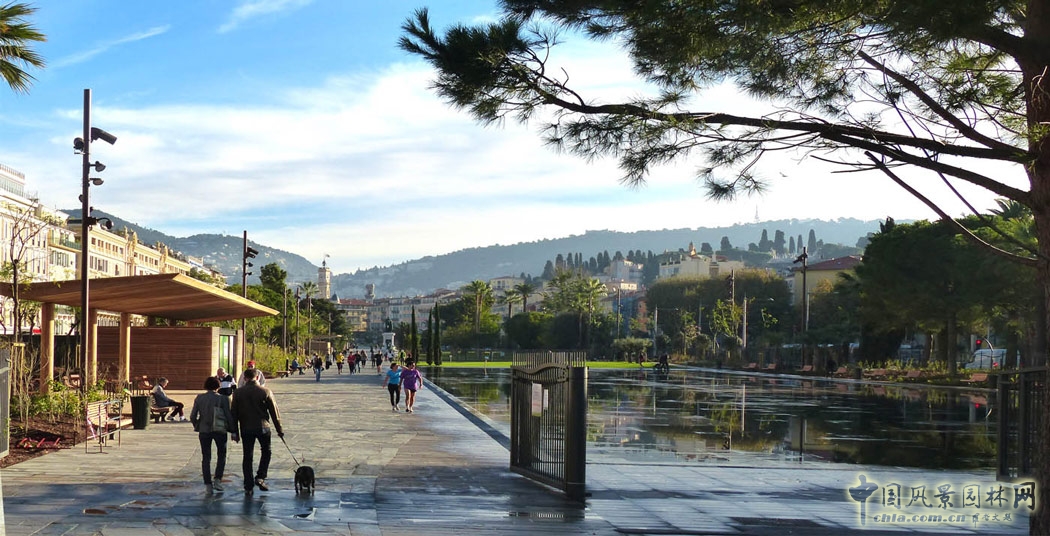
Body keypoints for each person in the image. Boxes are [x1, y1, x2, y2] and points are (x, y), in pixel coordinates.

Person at [230, 368, 283, 495]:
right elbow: (274, 413)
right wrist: (279, 429)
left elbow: (234, 414)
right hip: (263, 427)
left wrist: (234, 431)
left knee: (247, 456)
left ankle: (248, 485)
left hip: (246, 428)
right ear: (257, 377)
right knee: (266, 451)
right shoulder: (265, 391)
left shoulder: (238, 393)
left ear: (245, 378)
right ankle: (260, 476)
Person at [190, 376, 235, 494]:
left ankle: (208, 484)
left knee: (206, 457)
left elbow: (192, 416)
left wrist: (197, 425)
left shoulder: (200, 398)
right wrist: (233, 430)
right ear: (218, 386)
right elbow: (229, 416)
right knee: (222, 454)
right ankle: (218, 480)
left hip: (204, 430)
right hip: (220, 429)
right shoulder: (224, 399)